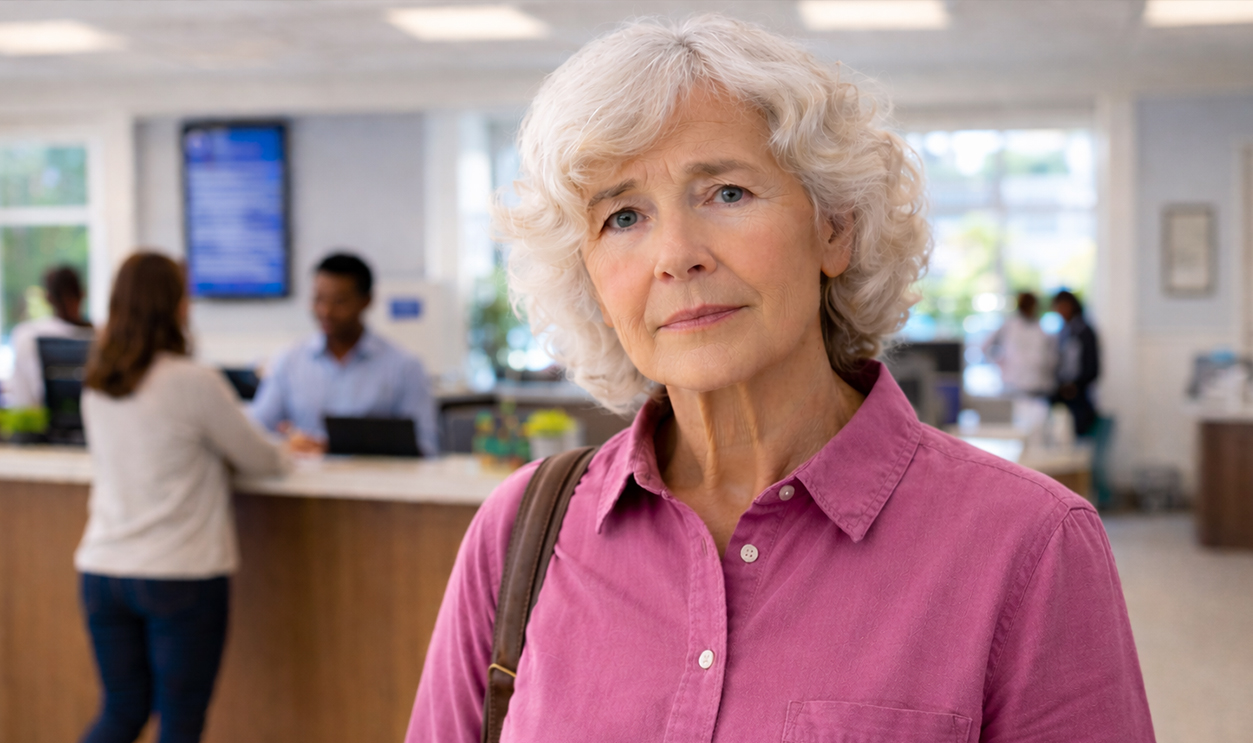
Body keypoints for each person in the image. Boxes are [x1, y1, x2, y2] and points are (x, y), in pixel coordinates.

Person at [406, 16, 1154, 743]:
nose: (677, 255)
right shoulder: (520, 533)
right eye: (624, 217)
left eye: (726, 193)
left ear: (834, 228)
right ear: (591, 277)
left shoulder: (1028, 543)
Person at [76, 252, 289, 743]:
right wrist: (288, 448)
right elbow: (261, 459)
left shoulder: (98, 384)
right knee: (179, 725)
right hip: (179, 576)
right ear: (173, 305)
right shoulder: (193, 381)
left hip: (102, 571)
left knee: (121, 712)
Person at [248, 252, 438, 456]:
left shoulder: (404, 366)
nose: (326, 311)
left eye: (339, 302)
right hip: (305, 475)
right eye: (318, 299)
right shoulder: (290, 361)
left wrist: (334, 446)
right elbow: (254, 432)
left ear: (367, 301)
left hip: (373, 475)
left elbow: (426, 445)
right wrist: (283, 444)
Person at [5, 265, 93, 409]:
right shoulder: (101, 336)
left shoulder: (27, 334)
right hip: (91, 419)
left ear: (48, 298)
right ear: (83, 294)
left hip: (45, 420)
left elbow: (22, 401)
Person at [982, 291, 1054, 397]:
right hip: (1013, 385)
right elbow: (985, 345)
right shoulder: (1009, 325)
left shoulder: (1042, 328)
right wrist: (998, 362)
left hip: (1038, 386)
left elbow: (1050, 357)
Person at [1051, 289, 1101, 436]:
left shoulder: (1084, 331)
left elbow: (1092, 367)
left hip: (1079, 396)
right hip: (1064, 394)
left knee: (1078, 437)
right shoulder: (1064, 331)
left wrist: (1075, 386)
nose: (1059, 311)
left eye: (1062, 306)